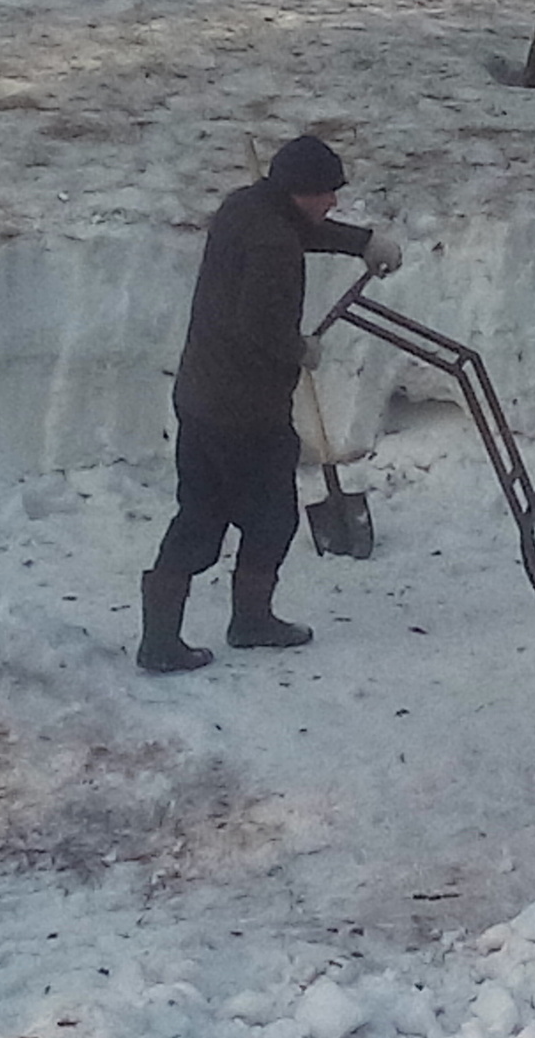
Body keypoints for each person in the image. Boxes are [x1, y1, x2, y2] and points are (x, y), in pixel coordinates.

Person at [136, 135, 402, 673]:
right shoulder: (274, 245)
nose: (332, 203)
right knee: (271, 518)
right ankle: (250, 621)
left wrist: (362, 242)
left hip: (202, 395)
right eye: (326, 194)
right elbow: (256, 324)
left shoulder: (245, 207)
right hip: (244, 412)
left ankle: (160, 639)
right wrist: (297, 347)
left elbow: (300, 232)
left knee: (199, 516)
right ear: (298, 192)